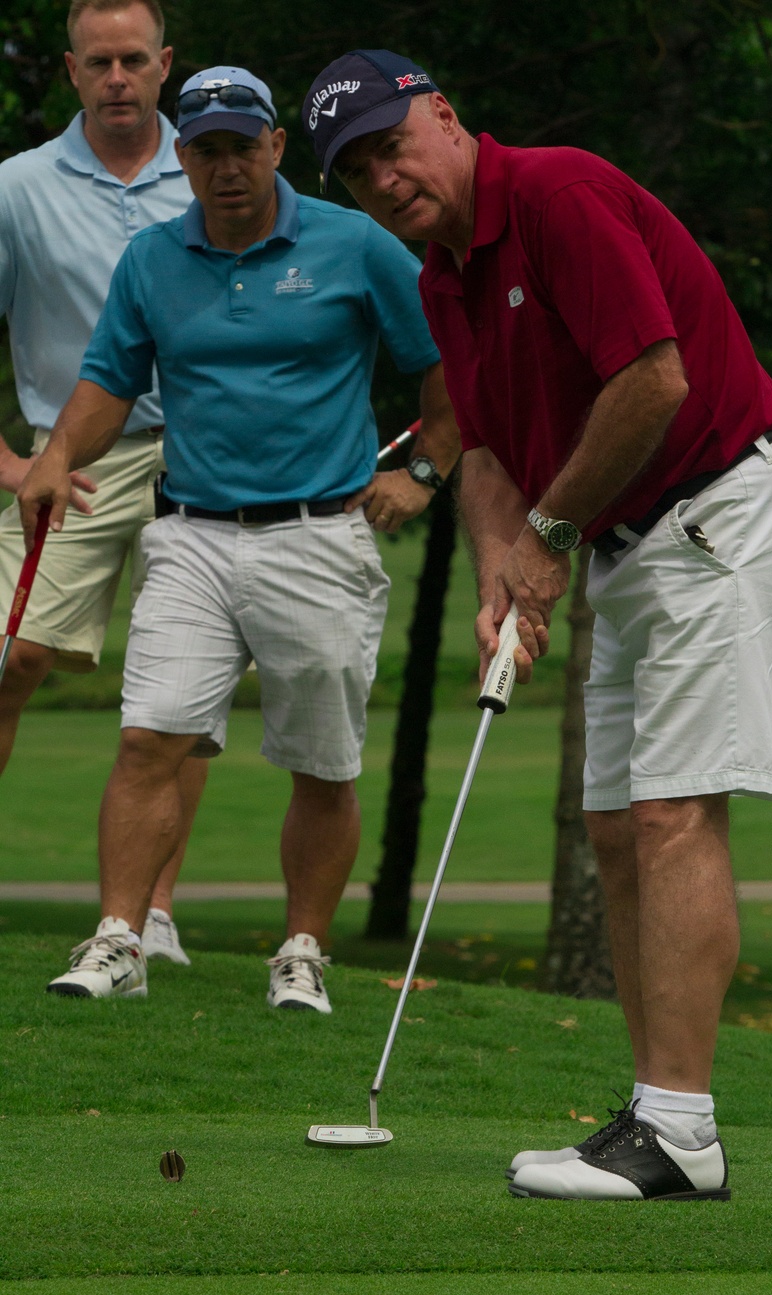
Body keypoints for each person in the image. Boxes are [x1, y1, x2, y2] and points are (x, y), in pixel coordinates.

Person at [304, 50, 772, 1196]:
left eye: (394, 144)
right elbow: (481, 445)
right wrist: (501, 567)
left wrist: (543, 535)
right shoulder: (443, 277)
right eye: (356, 173)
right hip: (626, 541)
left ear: (446, 117)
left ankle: (680, 1128)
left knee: (674, 812)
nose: (385, 179)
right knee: (610, 828)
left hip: (723, 510)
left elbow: (653, 379)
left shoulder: (559, 193)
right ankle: (655, 1111)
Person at [19, 65, 458, 1012]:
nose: (225, 168)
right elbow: (107, 380)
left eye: (241, 147)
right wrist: (56, 456)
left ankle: (301, 951)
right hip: (190, 536)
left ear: (274, 148)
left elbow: (447, 367)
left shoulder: (354, 245)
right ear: (184, 158)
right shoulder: (151, 259)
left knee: (323, 763)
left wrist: (422, 474)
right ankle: (120, 941)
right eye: (206, 150)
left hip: (320, 537)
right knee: (149, 739)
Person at [0, 0, 208, 965]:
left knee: (181, 698)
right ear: (72, 72)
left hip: (204, 454)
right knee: (9, 662)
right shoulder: (18, 186)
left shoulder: (218, 167)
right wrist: (10, 463)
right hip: (67, 461)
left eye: (134, 59)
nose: (118, 77)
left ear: (165, 64)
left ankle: (152, 917)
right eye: (99, 62)